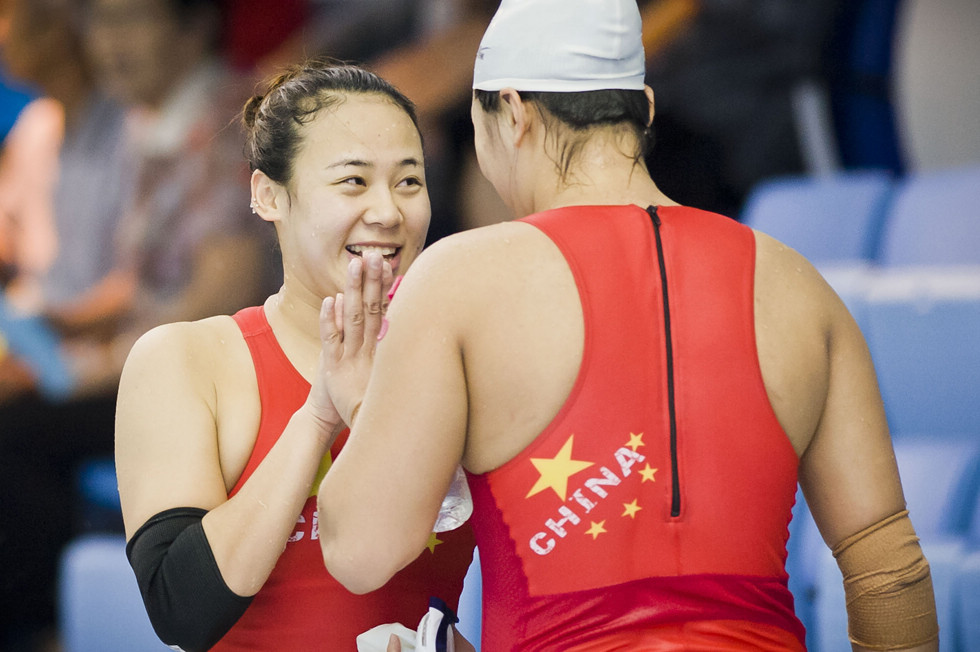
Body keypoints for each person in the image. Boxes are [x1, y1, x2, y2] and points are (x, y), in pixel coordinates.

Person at [315, 1, 940, 650]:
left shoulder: (458, 281)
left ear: (514, 114)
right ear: (641, 108)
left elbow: (361, 550)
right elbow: (888, 571)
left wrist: (362, 402)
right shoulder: (798, 288)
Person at [114, 59, 476, 651]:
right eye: (354, 181)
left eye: (409, 181)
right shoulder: (187, 361)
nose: (388, 212)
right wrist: (317, 414)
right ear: (267, 195)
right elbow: (181, 610)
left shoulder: (463, 365)